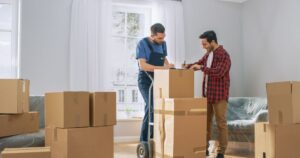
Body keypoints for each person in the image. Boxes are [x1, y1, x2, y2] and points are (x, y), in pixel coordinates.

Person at [183, 30, 231, 158]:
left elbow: (219, 72)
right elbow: (199, 63)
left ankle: (221, 152)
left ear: (212, 42)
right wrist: (188, 66)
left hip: (219, 95)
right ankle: (205, 149)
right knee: (206, 123)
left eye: (204, 44)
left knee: (221, 123)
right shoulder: (208, 54)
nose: (203, 46)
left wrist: (201, 68)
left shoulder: (224, 55)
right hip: (207, 94)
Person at [136, 23, 174, 142]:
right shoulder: (142, 44)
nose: (162, 40)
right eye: (159, 38)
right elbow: (143, 65)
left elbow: (164, 59)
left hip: (158, 78)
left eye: (164, 37)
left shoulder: (163, 43)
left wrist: (169, 66)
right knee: (152, 106)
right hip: (145, 79)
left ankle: (153, 139)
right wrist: (164, 68)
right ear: (152, 36)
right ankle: (144, 140)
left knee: (157, 107)